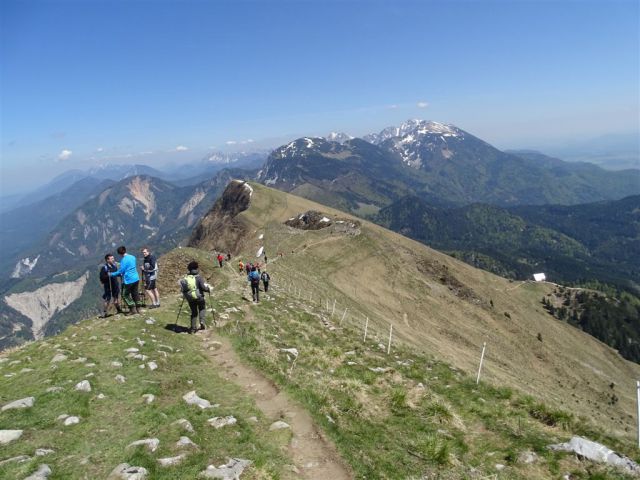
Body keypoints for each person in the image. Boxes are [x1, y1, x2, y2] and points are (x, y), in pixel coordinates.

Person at [179, 261, 211, 334]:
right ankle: (202, 322)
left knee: (194, 312)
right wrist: (208, 289)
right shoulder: (199, 277)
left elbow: (183, 288)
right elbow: (203, 288)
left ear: (189, 269)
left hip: (190, 298)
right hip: (199, 297)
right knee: (202, 308)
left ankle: (193, 328)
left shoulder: (186, 278)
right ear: (196, 268)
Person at [110, 245, 141, 315]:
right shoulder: (133, 257)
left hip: (128, 280)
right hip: (136, 278)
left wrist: (112, 274)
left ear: (119, 253)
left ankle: (132, 309)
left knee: (125, 295)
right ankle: (138, 308)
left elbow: (121, 271)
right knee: (135, 293)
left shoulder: (123, 260)